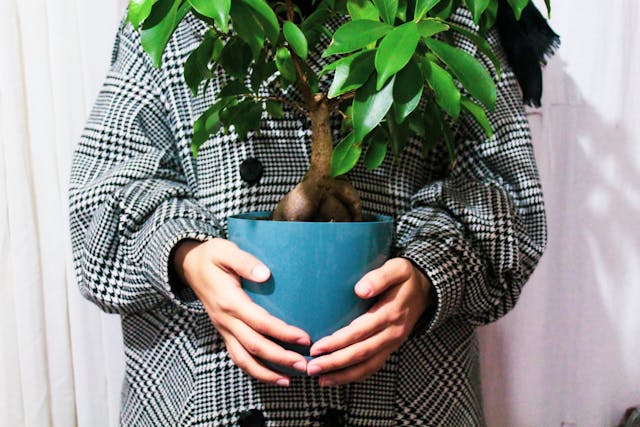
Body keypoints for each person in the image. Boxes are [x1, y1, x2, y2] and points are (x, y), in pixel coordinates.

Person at [69, 2, 556, 425]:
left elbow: (506, 193)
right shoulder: (177, 12)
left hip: (404, 394)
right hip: (203, 389)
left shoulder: (438, 12)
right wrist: (185, 254)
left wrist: (431, 272)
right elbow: (102, 193)